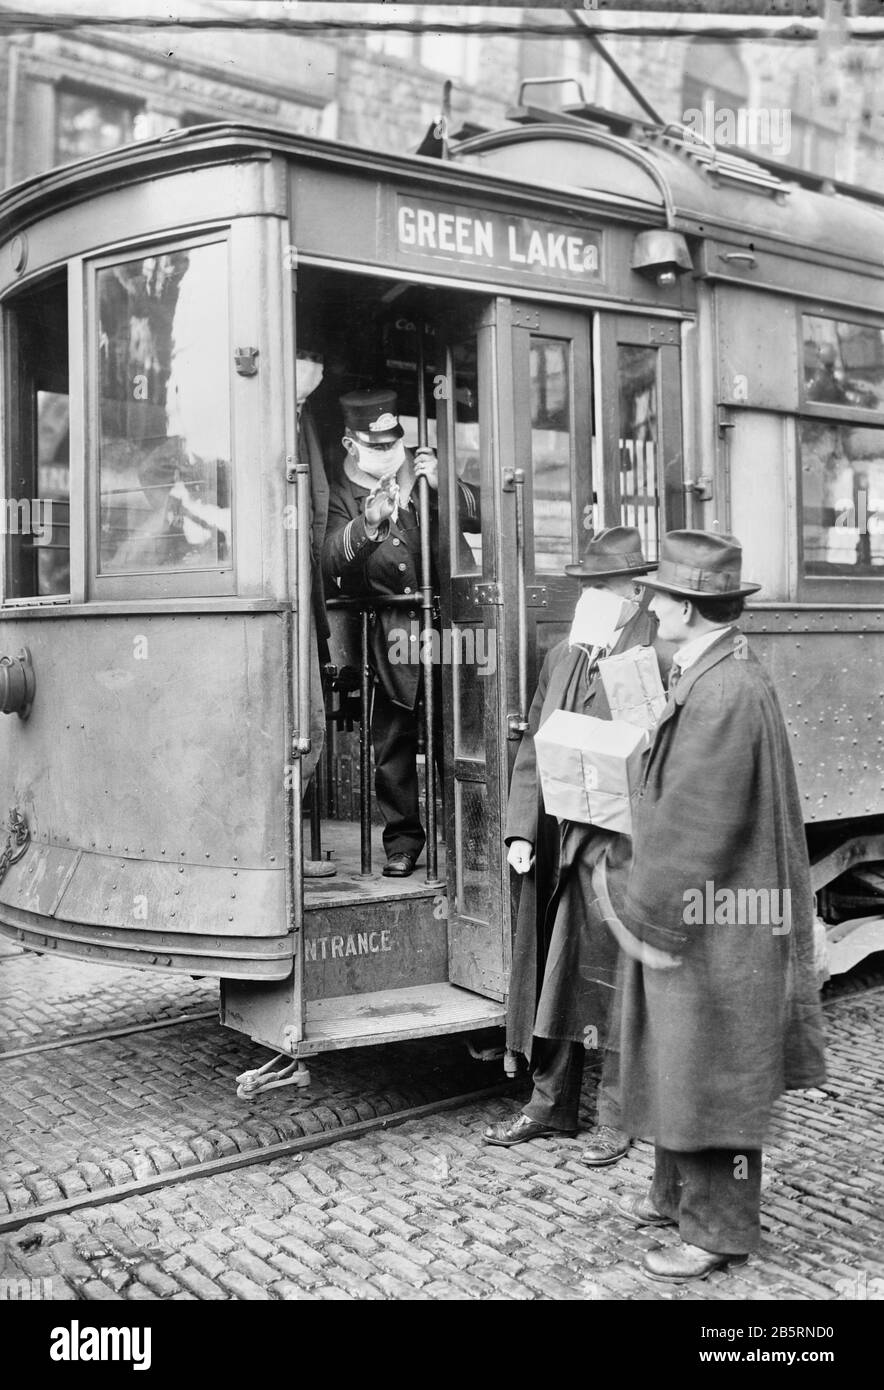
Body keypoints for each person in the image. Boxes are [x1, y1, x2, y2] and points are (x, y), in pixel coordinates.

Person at [606, 529, 826, 1281]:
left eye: (660, 593)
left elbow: (701, 818)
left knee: (716, 1069)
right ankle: (677, 1198)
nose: (650, 602)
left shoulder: (723, 687)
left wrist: (648, 908)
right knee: (687, 1059)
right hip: (713, 909)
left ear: (692, 607)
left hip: (713, 916)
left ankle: (716, 1230)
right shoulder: (714, 670)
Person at [484, 527, 661, 1165]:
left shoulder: (656, 656)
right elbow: (534, 745)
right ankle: (548, 1105)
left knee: (616, 973)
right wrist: (521, 830)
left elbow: (662, 755)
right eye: (584, 584)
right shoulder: (564, 655)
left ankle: (620, 1114)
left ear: (636, 591)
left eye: (600, 586)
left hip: (623, 845)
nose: (585, 594)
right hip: (560, 842)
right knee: (555, 971)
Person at [322, 388, 480, 877]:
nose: (390, 454)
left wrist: (443, 487)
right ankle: (403, 842)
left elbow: (480, 516)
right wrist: (369, 523)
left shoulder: (422, 469)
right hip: (391, 633)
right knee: (393, 745)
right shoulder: (343, 494)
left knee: (458, 736)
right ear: (352, 446)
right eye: (378, 447)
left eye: (394, 445)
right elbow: (330, 561)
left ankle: (468, 835)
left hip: (450, 628)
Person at [295, 348, 336, 878]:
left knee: (310, 723)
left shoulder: (301, 414)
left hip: (301, 584)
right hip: (285, 584)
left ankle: (288, 850)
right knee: (303, 724)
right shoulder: (283, 411)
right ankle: (284, 853)